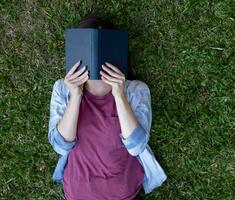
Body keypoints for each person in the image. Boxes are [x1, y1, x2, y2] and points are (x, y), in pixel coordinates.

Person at [48, 14, 167, 200]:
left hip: (123, 194)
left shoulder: (136, 91)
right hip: (77, 193)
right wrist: (76, 96)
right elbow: (61, 146)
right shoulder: (62, 89)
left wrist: (119, 94)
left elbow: (136, 146)